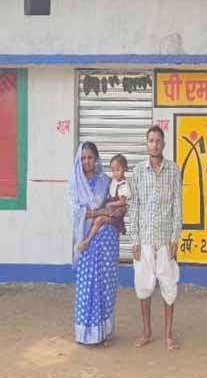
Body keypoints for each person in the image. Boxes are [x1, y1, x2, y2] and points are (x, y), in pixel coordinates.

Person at [129, 125, 182, 350]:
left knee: (169, 287)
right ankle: (147, 332)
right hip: (145, 239)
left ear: (164, 144)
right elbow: (134, 207)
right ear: (146, 144)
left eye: (158, 141)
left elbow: (177, 206)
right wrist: (134, 240)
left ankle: (169, 334)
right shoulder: (138, 172)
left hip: (165, 240)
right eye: (151, 141)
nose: (155, 144)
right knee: (143, 287)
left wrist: (175, 238)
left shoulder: (174, 170)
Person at [66, 142, 120, 346]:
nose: (86, 162)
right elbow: (76, 212)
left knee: (105, 285)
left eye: (90, 157)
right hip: (86, 240)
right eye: (83, 158)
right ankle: (86, 334)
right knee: (86, 285)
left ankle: (105, 332)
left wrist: (100, 213)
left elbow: (115, 209)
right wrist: (99, 212)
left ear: (96, 159)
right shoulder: (75, 184)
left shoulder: (106, 181)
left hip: (106, 240)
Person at [76, 154, 131, 252]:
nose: (115, 173)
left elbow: (123, 201)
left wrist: (112, 204)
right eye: (113, 170)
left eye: (118, 170)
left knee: (99, 219)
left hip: (116, 215)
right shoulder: (113, 181)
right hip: (110, 209)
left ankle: (87, 241)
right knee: (96, 220)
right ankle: (87, 238)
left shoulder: (124, 185)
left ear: (125, 169)